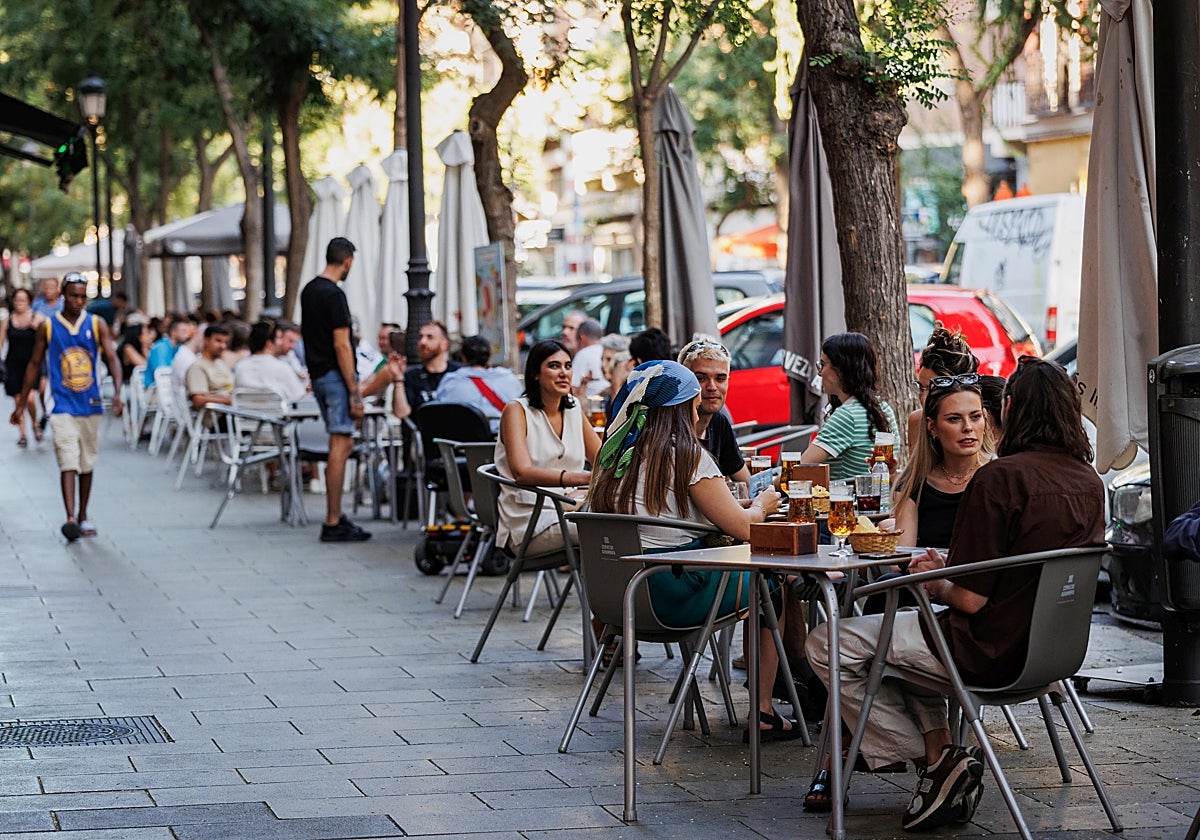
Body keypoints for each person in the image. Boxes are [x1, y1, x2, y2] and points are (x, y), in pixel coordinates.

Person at [804, 356, 1105, 829]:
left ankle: (939, 759)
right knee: (892, 641)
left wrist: (934, 578)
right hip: (1054, 653)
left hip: (986, 649)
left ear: (1007, 409)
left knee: (826, 643)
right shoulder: (1089, 481)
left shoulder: (1000, 479)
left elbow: (967, 600)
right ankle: (939, 754)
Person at [589, 361, 801, 740]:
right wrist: (765, 504)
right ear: (685, 406)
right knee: (772, 580)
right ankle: (764, 712)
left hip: (618, 600)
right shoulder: (686, 455)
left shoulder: (613, 456)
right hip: (668, 596)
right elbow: (744, 527)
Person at [11, 274, 123, 541]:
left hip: (91, 403)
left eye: (83, 296)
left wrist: (118, 392)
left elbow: (111, 357)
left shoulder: (96, 324)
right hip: (60, 404)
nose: (79, 301)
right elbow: (34, 364)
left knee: (86, 463)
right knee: (67, 459)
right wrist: (21, 405)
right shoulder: (48, 326)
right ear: (63, 295)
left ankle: (83, 515)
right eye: (74, 295)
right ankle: (70, 517)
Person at [495, 339, 602, 556]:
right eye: (554, 366)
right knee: (605, 535)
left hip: (572, 509)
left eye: (568, 366)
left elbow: (603, 459)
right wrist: (581, 479)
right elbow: (521, 473)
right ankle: (612, 590)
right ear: (536, 373)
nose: (564, 373)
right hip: (528, 521)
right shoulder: (516, 411)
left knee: (627, 523)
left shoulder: (573, 408)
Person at [300, 236, 371, 543]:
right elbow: (342, 345)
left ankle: (335, 516)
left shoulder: (309, 290)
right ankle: (332, 520)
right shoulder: (334, 295)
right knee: (340, 447)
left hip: (317, 375)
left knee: (337, 445)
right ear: (348, 261)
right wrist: (354, 389)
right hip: (334, 376)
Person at [892, 376, 989, 549]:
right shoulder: (915, 484)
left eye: (975, 417)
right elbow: (902, 555)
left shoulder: (1000, 477)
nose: (968, 427)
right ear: (932, 427)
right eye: (954, 419)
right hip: (924, 572)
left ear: (985, 418)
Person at [800, 332, 898, 481]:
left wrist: (763, 487)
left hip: (845, 499)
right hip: (876, 498)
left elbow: (800, 468)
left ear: (841, 370)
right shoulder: (884, 408)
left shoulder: (847, 416)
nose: (819, 372)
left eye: (823, 364)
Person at [677, 338, 750, 481]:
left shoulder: (718, 423)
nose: (712, 387)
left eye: (720, 379)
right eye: (701, 378)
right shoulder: (672, 430)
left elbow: (748, 484)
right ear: (683, 381)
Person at [906, 324, 978, 448]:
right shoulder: (917, 422)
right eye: (921, 388)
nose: (923, 398)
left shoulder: (977, 426)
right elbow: (917, 467)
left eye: (932, 388)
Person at [433, 335, 522, 434]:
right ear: (489, 356)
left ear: (463, 357)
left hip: (461, 444)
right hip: (503, 442)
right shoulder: (509, 379)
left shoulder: (450, 382)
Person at [1, 288, 45, 446]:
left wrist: (37, 328)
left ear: (29, 302)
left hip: (32, 364)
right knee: (18, 399)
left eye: (23, 300)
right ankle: (23, 434)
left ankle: (34, 423)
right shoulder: (8, 320)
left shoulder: (38, 318)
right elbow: (1, 343)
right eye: (17, 300)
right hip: (13, 364)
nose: (20, 303)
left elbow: (47, 339)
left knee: (31, 398)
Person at [233, 321, 307, 402]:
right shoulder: (282, 368)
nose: (281, 342)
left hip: (246, 414)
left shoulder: (240, 367)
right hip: (276, 414)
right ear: (269, 343)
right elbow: (301, 398)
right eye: (279, 338)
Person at [400, 321, 461, 417]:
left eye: (430, 337)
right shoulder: (411, 376)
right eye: (420, 337)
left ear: (444, 344)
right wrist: (398, 379)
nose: (422, 342)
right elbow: (401, 413)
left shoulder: (459, 373)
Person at [185, 323, 234, 411]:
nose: (223, 346)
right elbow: (198, 400)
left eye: (226, 342)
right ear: (206, 341)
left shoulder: (221, 363)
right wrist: (226, 401)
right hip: (216, 416)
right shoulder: (197, 367)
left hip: (232, 411)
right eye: (218, 341)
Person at [144, 314, 195, 388]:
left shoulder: (180, 348)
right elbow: (162, 374)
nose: (187, 335)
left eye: (187, 332)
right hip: (155, 390)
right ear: (173, 332)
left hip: (172, 387)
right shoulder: (161, 348)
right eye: (183, 331)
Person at [570, 318, 606, 399]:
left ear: (582, 338)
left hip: (592, 405)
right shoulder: (607, 351)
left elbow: (573, 389)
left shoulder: (583, 354)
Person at [116, 319, 154, 385]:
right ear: (139, 336)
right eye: (146, 333)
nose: (149, 336)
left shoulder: (143, 347)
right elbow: (145, 365)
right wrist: (145, 346)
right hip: (127, 385)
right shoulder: (128, 348)